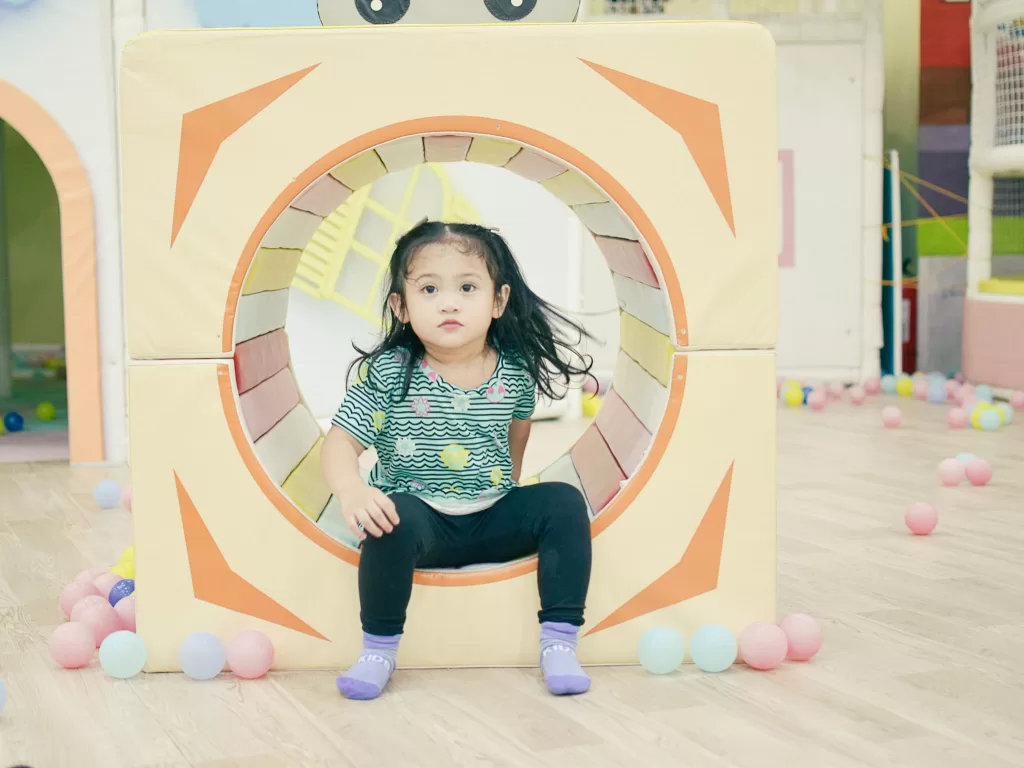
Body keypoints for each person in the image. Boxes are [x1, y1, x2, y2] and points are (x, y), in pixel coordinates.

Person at [321, 220, 595, 700]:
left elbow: (518, 430)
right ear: (401, 307)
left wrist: (507, 486)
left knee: (565, 503)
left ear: (498, 301)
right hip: (421, 525)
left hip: (491, 517)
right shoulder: (391, 372)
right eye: (429, 289)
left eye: (467, 287)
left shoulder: (513, 370)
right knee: (391, 515)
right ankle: (378, 648)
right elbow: (340, 443)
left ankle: (559, 641)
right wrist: (352, 490)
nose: (449, 302)